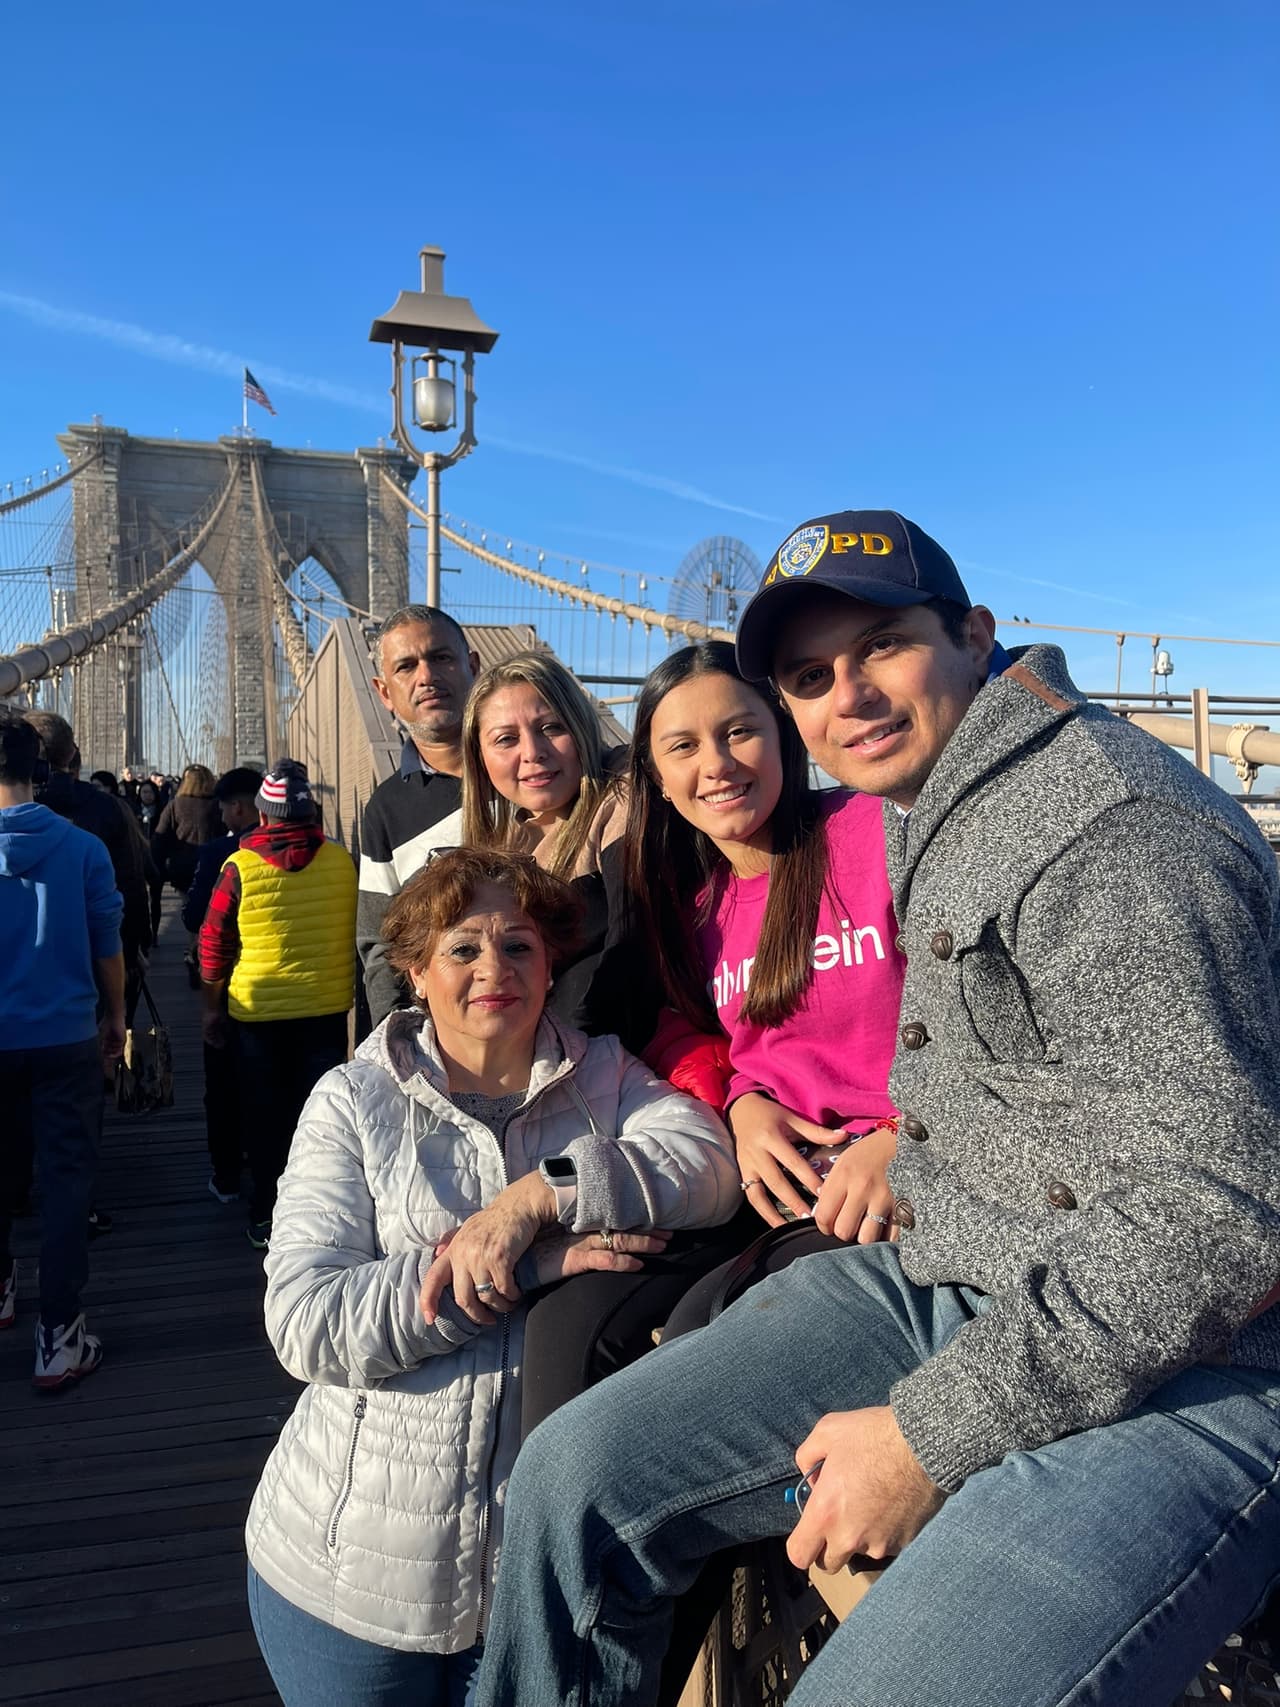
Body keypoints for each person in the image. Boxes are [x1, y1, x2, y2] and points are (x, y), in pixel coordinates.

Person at [473, 509, 1280, 1707]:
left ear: (974, 637)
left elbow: (1216, 1220)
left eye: (882, 647)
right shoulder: (926, 807)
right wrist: (749, 1100)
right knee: (568, 1481)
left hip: (1199, 1364)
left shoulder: (1112, 831)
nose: (845, 696)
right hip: (956, 1270)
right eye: (808, 676)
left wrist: (929, 1433)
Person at [243, 846, 738, 1707]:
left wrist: (543, 1196)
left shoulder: (604, 1076)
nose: (493, 969)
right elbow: (305, 1318)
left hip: (529, 1593)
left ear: (550, 964)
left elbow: (708, 1164)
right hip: (347, 1581)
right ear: (415, 971)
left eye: (518, 945)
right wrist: (524, 1263)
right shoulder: (353, 1099)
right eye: (463, 948)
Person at [0, 709, 124, 1388]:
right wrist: (116, 1014)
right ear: (40, 771)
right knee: (67, 1185)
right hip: (66, 1038)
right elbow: (107, 944)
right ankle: (59, 1337)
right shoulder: (82, 848)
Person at [198, 760, 357, 1249]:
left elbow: (213, 944)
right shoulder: (342, 861)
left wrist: (211, 1008)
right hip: (327, 1011)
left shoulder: (240, 867)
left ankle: (267, 1216)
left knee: (264, 1117)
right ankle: (322, 1217)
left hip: (258, 1015)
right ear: (310, 812)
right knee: (319, 1116)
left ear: (263, 815)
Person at [461, 650, 653, 1044]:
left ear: (581, 727)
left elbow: (633, 948)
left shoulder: (623, 793)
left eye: (551, 727)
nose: (533, 752)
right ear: (480, 759)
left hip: (601, 1058)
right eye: (506, 739)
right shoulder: (500, 846)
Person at [358, 605, 481, 1027]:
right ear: (384, 692)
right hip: (443, 1041)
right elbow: (379, 944)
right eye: (406, 666)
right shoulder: (385, 809)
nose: (426, 676)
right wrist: (397, 1040)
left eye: (441, 658)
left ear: (472, 666)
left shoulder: (530, 773)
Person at [180, 766, 263, 1202]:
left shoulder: (220, 854)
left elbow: (194, 917)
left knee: (224, 1086)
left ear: (238, 808)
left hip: (233, 989)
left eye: (225, 808)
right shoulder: (323, 852)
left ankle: (227, 1173)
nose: (222, 815)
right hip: (300, 997)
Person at [151, 763, 220, 895]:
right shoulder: (217, 805)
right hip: (212, 865)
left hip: (182, 867)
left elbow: (160, 838)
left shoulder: (175, 805)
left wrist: (158, 868)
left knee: (187, 901)